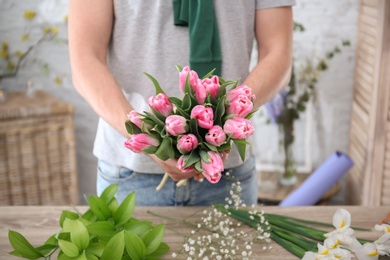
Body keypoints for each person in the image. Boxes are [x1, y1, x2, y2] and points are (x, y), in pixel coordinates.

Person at [68, 0, 295, 206]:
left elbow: (277, 53)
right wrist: (146, 137)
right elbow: (86, 59)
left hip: (227, 171)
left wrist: (223, 120)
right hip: (129, 173)